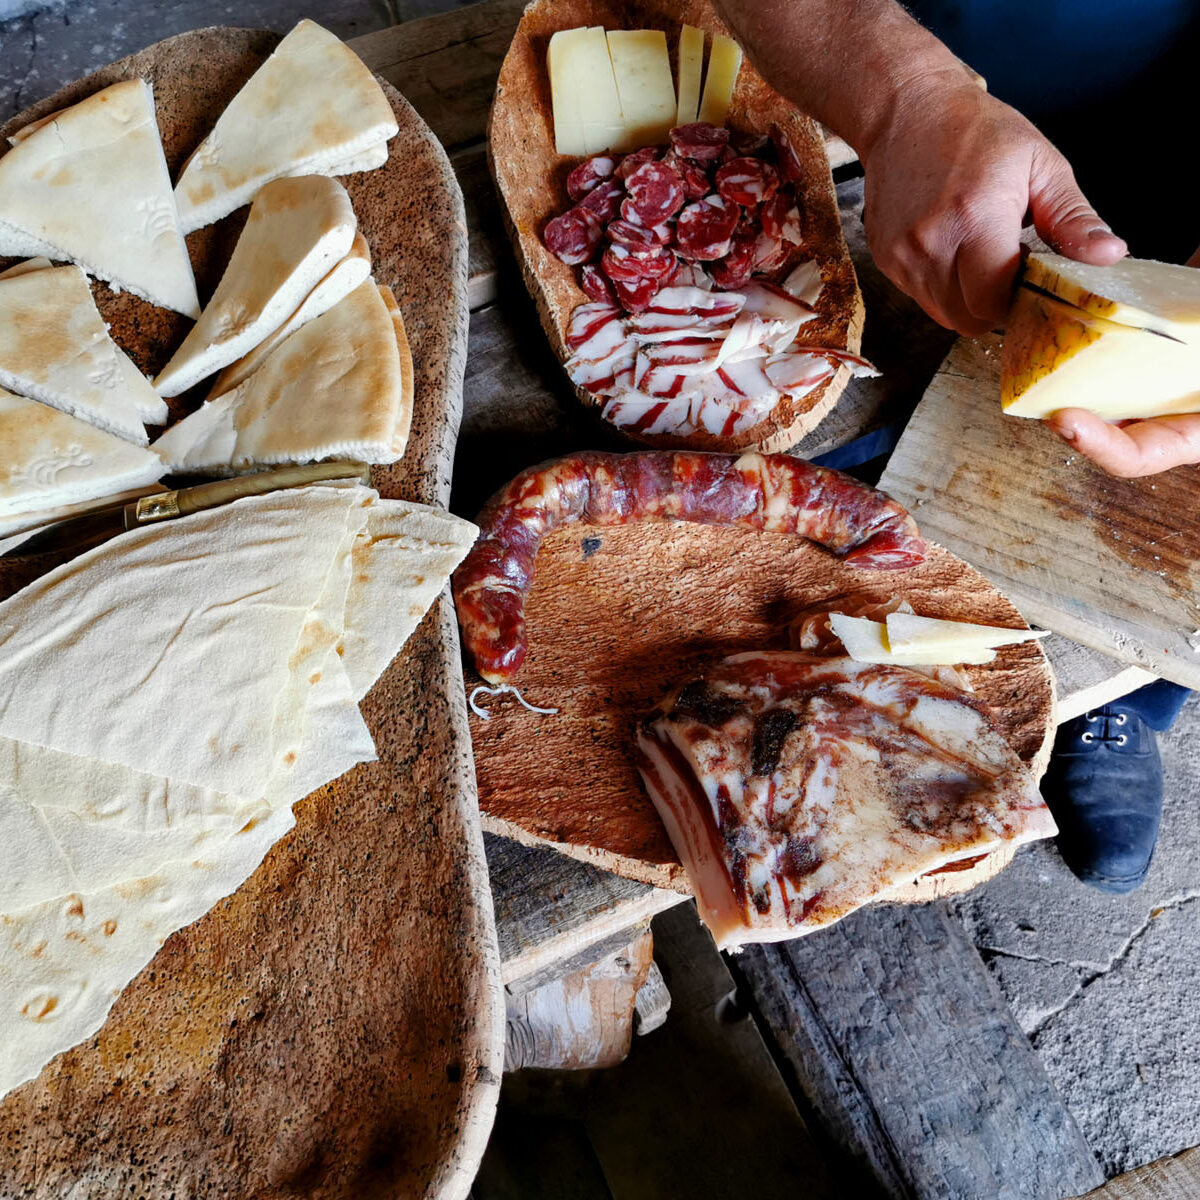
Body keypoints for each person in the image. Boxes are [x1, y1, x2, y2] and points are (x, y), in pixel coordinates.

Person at [713, 0, 1200, 892]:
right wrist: (904, 94)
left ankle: (1127, 696)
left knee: (1151, 526)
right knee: (856, 436)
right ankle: (840, 639)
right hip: (853, 66)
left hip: (1174, 119)